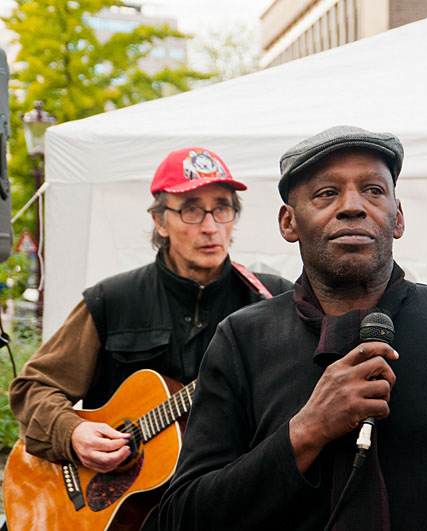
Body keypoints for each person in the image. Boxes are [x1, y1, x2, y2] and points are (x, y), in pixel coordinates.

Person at [159, 126, 427, 530]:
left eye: (373, 190)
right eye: (326, 193)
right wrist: (306, 431)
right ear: (289, 222)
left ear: (398, 216)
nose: (353, 206)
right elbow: (184, 516)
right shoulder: (243, 340)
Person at [8, 147, 293, 528]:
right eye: (191, 209)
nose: (210, 226)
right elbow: (33, 388)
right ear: (160, 221)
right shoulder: (112, 300)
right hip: (124, 510)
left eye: (222, 208)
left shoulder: (275, 301)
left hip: (229, 507)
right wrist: (72, 432)